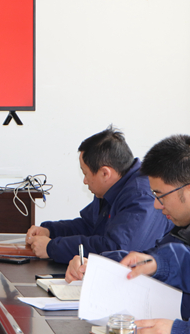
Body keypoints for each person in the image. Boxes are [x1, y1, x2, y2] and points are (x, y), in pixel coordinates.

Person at [66, 134, 190, 333]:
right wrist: (97, 266)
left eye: (160, 195)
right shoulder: (181, 229)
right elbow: (151, 259)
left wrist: (179, 329)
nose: (156, 205)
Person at [26, 126, 172, 263]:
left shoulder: (141, 196)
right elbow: (89, 226)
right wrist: (50, 231)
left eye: (85, 174)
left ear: (105, 173)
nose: (84, 181)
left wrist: (52, 247)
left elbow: (116, 250)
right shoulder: (111, 188)